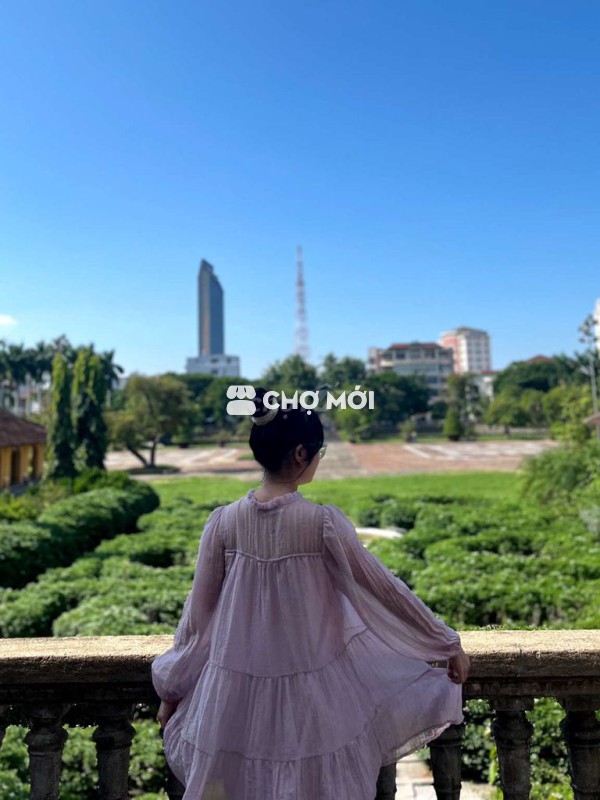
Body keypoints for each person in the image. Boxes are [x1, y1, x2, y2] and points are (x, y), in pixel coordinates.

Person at [151, 388, 470, 800]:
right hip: (313, 703)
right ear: (301, 454)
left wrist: (172, 689)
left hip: (233, 703)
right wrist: (444, 642)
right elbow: (384, 590)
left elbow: (197, 620)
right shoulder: (321, 524)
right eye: (319, 451)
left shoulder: (224, 523)